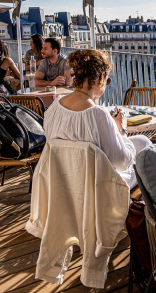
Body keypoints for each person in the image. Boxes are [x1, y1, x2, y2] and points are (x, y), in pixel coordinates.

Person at [43, 49, 149, 189]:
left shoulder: (55, 106)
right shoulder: (98, 114)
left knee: (142, 141)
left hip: (63, 181)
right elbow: (122, 163)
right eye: (107, 80)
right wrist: (121, 129)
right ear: (101, 77)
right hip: (96, 188)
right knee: (145, 154)